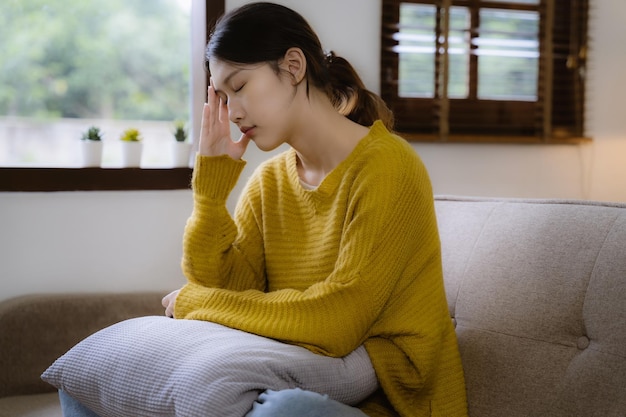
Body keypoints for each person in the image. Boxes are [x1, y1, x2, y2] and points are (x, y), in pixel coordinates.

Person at [61, 2, 467, 416]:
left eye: (238, 87)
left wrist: (198, 301)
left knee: (283, 411)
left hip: (390, 398)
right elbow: (224, 285)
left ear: (293, 66)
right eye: (222, 97)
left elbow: (338, 323)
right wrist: (210, 192)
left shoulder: (388, 167)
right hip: (294, 372)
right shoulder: (270, 181)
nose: (232, 112)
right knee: (87, 380)